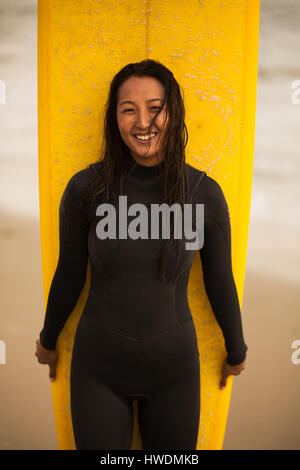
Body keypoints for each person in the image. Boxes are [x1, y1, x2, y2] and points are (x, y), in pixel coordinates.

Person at [35, 59, 247, 450]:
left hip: (175, 377)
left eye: (155, 108)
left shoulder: (204, 194)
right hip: (98, 371)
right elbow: (69, 273)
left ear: (174, 111)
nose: (142, 122)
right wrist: (49, 340)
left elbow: (220, 280)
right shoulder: (86, 190)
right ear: (114, 119)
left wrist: (236, 349)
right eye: (128, 109)